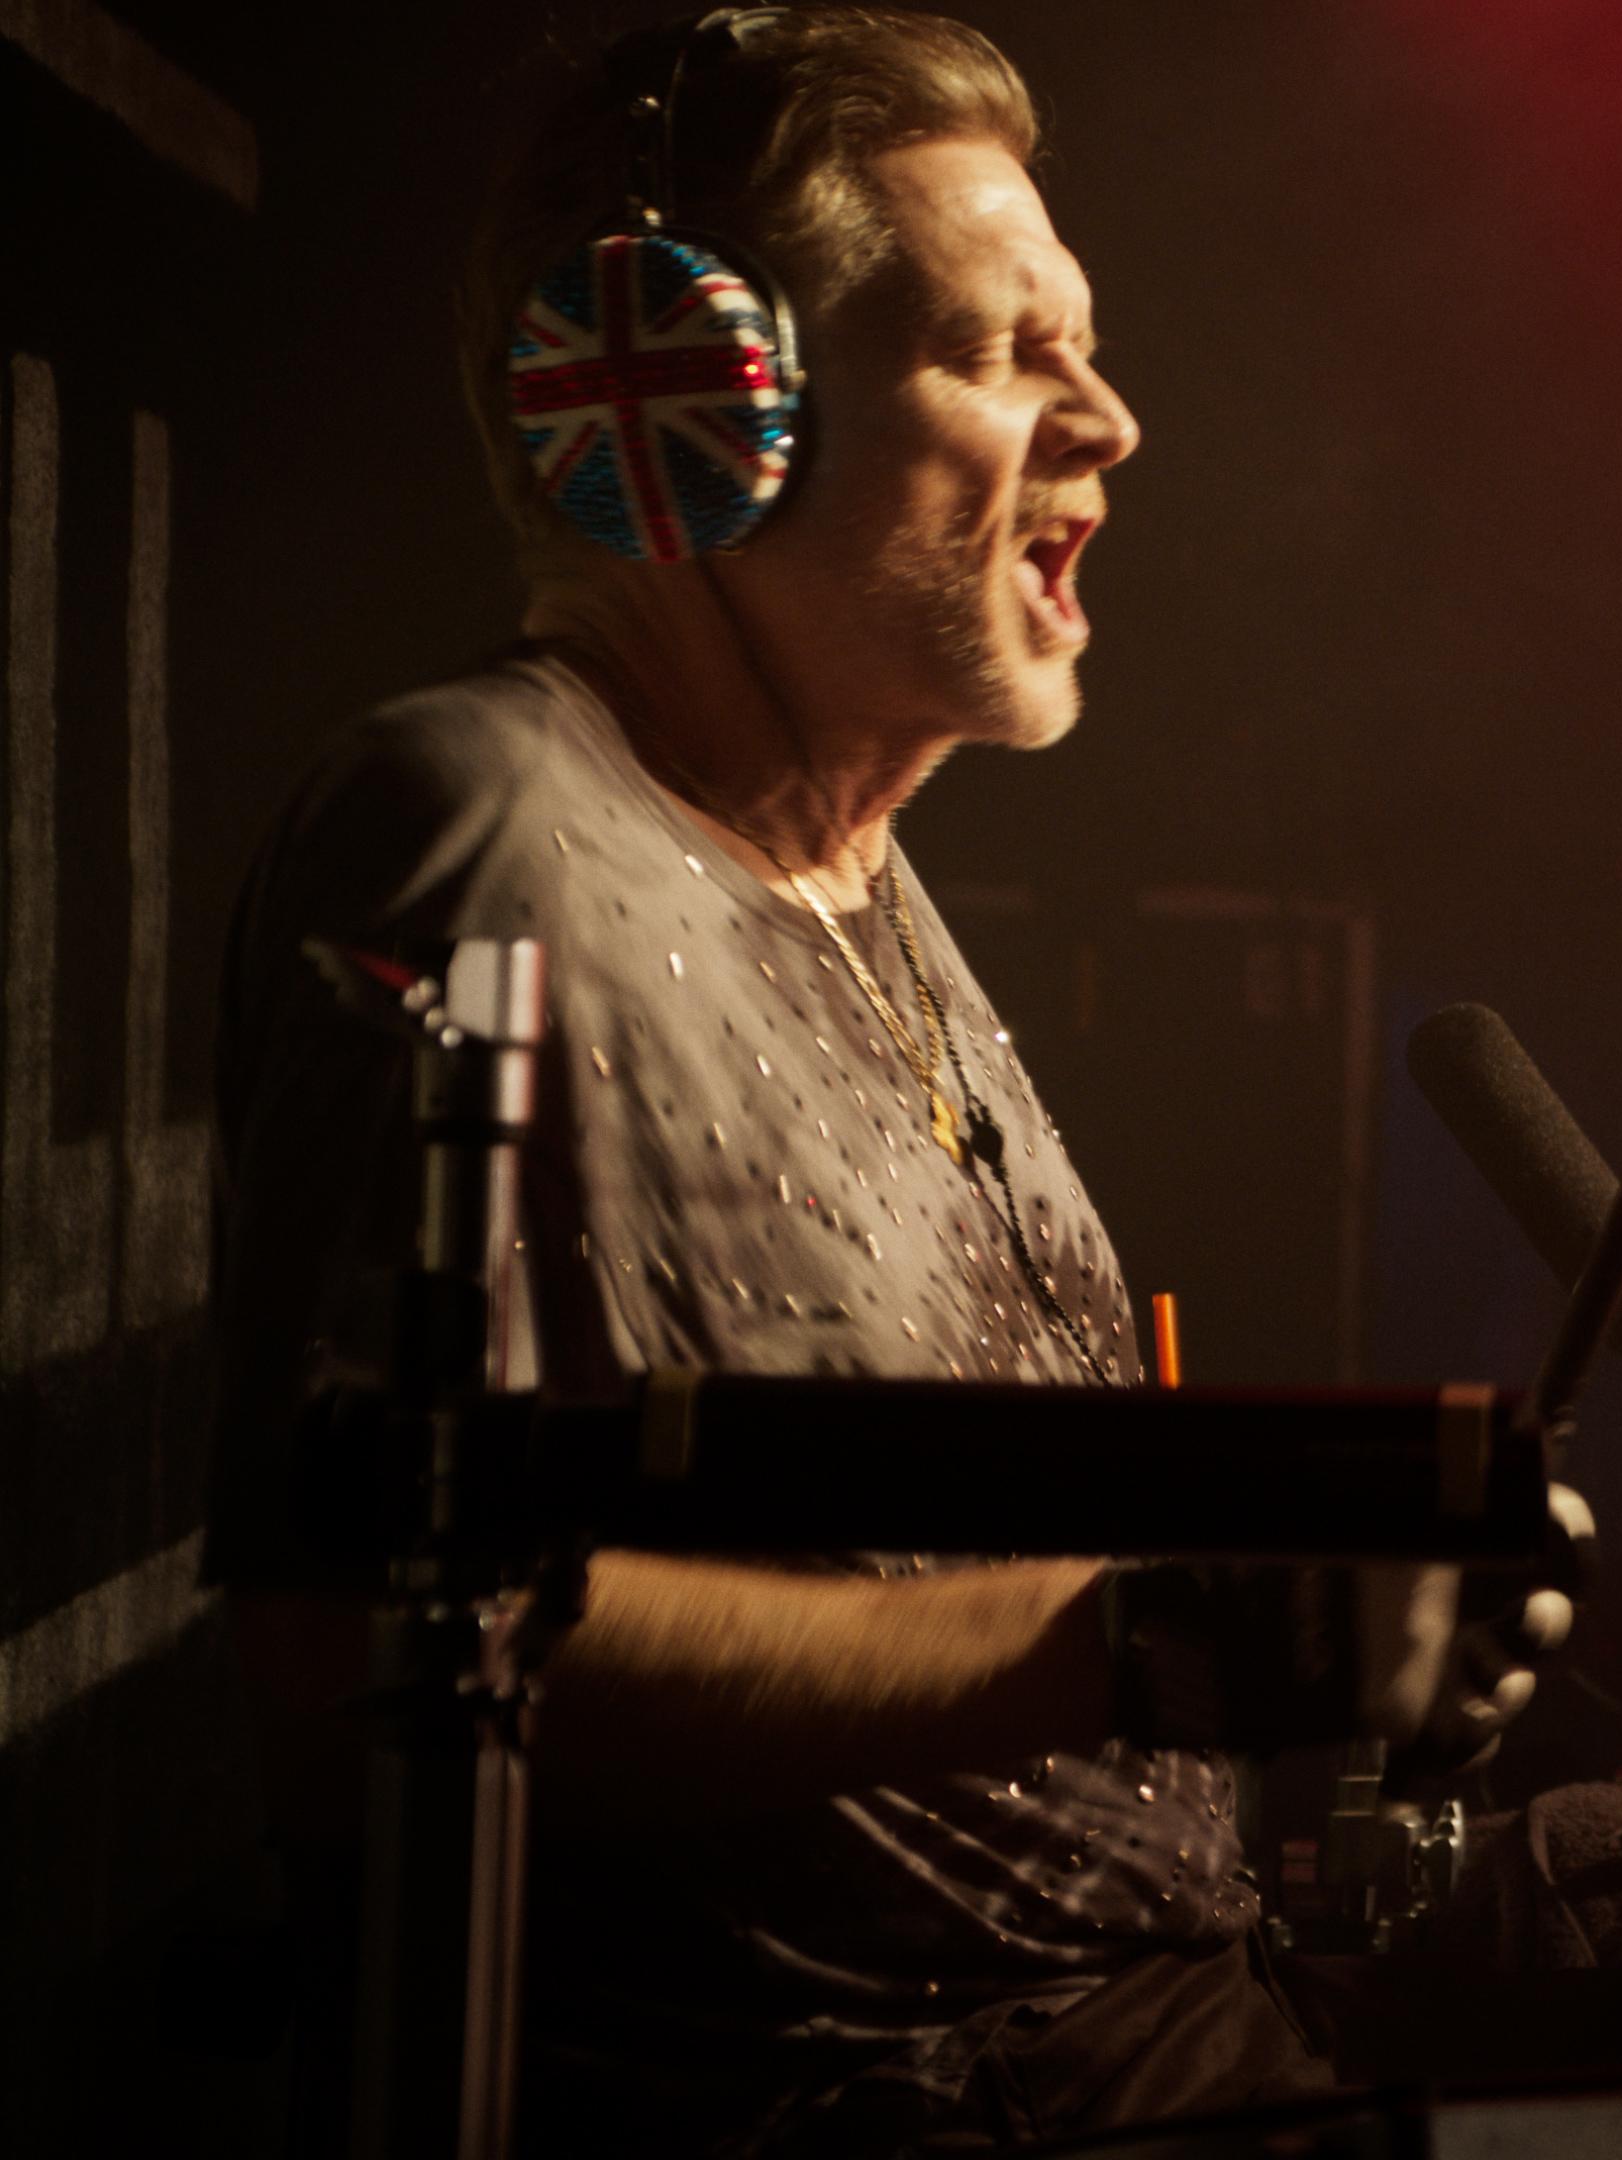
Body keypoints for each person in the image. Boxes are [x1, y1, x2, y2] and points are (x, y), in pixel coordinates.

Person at [207, 10, 1522, 2150]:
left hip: (1156, 2064)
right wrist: (1150, 1646)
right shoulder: (477, 819)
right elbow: (348, 1649)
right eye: (999, 351)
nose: (1107, 420)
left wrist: (1342, 1558)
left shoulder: (852, 866)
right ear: (692, 412)